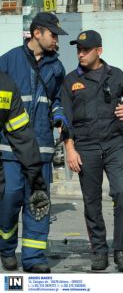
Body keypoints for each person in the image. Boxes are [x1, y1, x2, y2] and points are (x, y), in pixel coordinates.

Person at [60, 30, 123, 272]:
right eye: (78, 50)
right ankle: (99, 251)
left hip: (115, 143)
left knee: (122, 195)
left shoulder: (115, 76)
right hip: (85, 146)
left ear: (99, 51)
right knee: (91, 201)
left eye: (86, 50)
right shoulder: (70, 79)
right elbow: (65, 118)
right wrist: (69, 149)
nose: (81, 54)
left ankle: (120, 250)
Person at [0, 12, 67, 273]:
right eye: (53, 35)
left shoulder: (56, 67)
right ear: (36, 33)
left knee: (38, 202)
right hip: (10, 149)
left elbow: (57, 100)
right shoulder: (7, 62)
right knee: (9, 201)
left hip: (41, 150)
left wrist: (60, 116)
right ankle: (6, 248)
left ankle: (34, 257)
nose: (57, 42)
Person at [0, 72, 50, 273]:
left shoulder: (4, 85)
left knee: (7, 198)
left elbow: (20, 132)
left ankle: (14, 251)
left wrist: (35, 175)